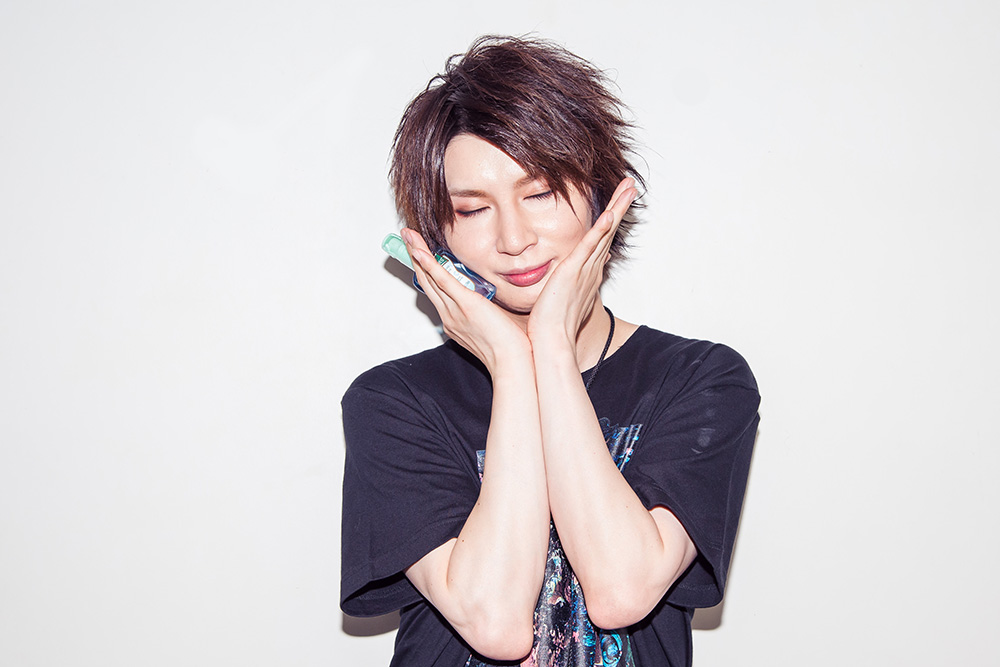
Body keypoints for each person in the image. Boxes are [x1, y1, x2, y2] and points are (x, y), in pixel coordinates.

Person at [340, 35, 760, 667]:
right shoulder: (394, 402)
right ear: (438, 237)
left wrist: (552, 351)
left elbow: (622, 590)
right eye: (473, 210)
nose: (513, 238)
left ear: (602, 195)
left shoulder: (700, 379)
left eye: (538, 194)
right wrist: (514, 364)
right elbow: (496, 622)